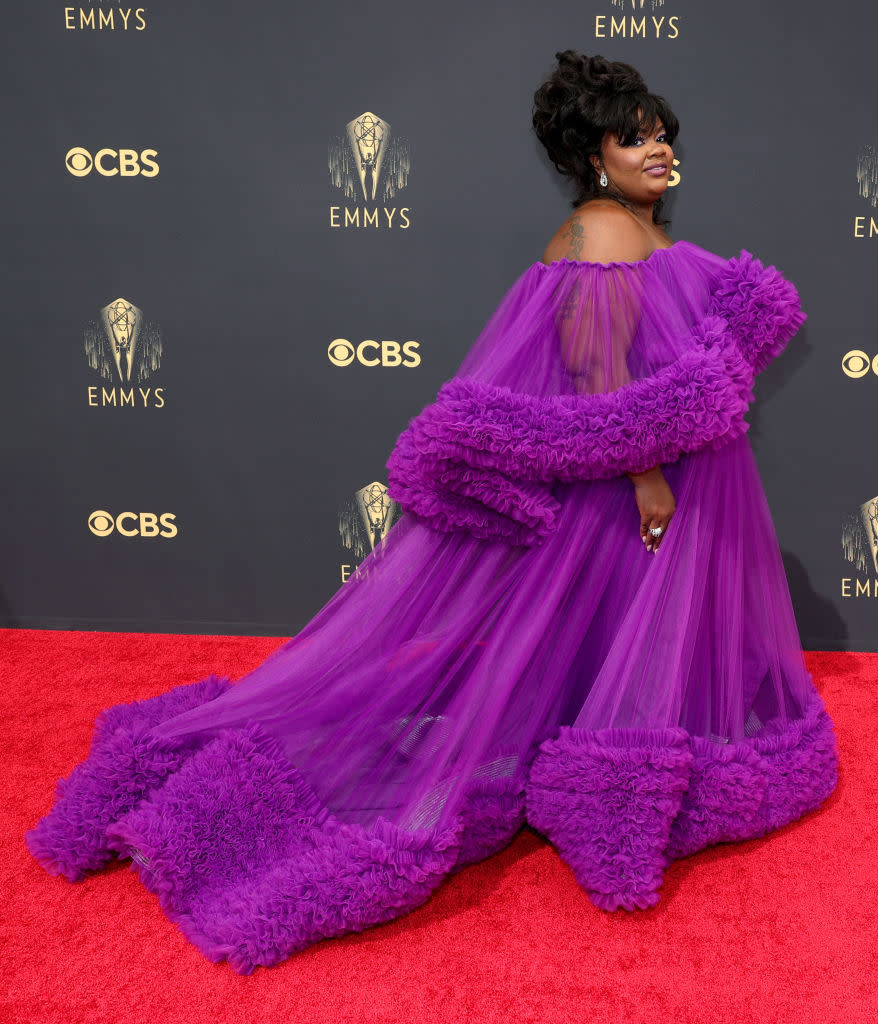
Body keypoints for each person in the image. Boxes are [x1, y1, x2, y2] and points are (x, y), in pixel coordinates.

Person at [26, 51, 840, 974]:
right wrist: (649, 476)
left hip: (636, 493)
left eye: (660, 133)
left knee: (588, 648)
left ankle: (582, 763)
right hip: (619, 497)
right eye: (632, 136)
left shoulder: (632, 233)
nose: (657, 149)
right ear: (591, 154)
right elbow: (596, 370)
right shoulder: (602, 234)